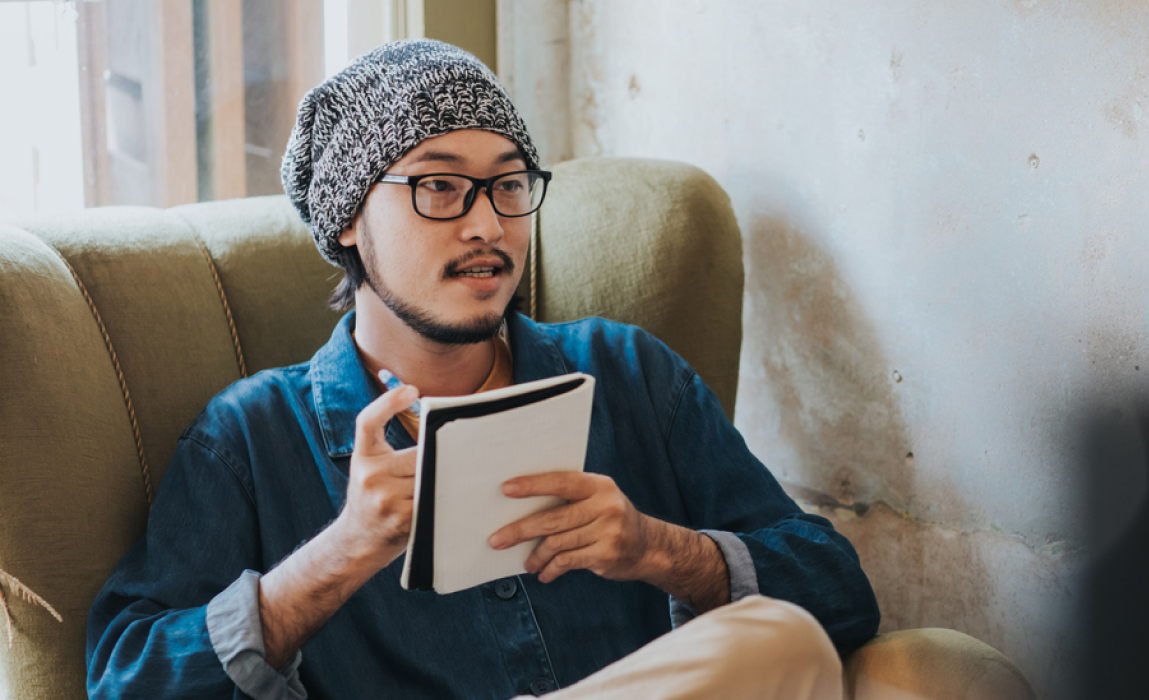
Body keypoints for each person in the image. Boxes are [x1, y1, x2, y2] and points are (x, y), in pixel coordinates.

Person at [85, 39, 879, 700]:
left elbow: (841, 594)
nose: (487, 223)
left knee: (777, 635)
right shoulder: (252, 437)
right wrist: (343, 551)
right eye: (438, 186)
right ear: (351, 215)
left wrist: (660, 550)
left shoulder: (627, 373)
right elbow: (126, 679)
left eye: (507, 185)